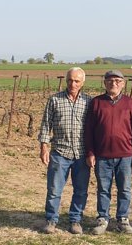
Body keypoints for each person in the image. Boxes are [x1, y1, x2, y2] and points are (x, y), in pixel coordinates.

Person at [84, 69, 132, 235]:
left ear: (123, 84)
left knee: (124, 189)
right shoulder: (96, 103)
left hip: (125, 155)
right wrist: (90, 152)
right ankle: (103, 218)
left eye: (117, 81)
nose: (114, 84)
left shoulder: (130, 103)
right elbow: (88, 130)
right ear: (105, 83)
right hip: (102, 155)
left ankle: (123, 219)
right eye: (110, 81)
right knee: (104, 189)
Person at [38, 67, 93, 235]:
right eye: (70, 80)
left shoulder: (89, 102)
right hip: (59, 152)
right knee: (54, 189)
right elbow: (46, 124)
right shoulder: (55, 100)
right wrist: (44, 147)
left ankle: (75, 220)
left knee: (81, 190)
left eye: (76, 81)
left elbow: (94, 128)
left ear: (82, 82)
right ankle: (51, 219)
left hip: (81, 154)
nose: (72, 84)